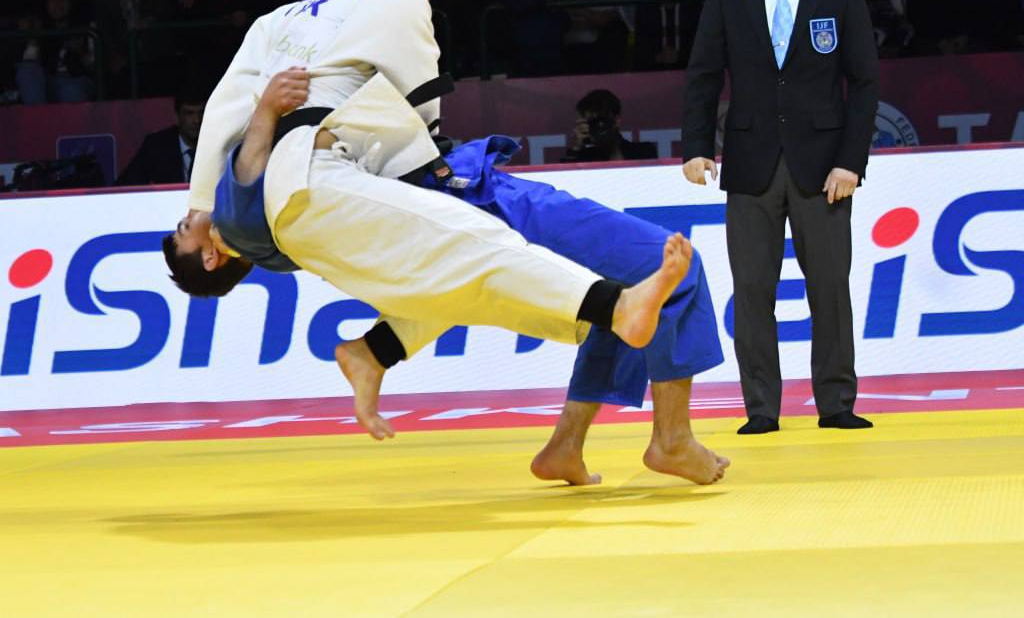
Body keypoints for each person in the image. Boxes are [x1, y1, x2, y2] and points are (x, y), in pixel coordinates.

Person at [168, 0, 692, 431]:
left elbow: (223, 108)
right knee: (472, 237)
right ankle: (614, 309)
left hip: (303, 206)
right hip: (311, 175)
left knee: (442, 279)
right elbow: (419, 93)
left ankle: (374, 351)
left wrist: (202, 203)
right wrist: (428, 162)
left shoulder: (279, 18)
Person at [191, 66, 729, 486]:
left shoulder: (289, 234)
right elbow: (248, 147)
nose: (190, 215)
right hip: (478, 199)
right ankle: (672, 438)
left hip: (445, 212)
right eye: (182, 232)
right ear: (213, 256)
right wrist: (267, 107)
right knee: (667, 272)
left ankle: (565, 445)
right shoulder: (239, 223)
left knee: (609, 298)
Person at [683, 0, 879, 434]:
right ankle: (761, 408)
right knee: (752, 290)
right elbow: (702, 76)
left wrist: (851, 162)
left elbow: (864, 83)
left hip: (825, 166)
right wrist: (697, 146)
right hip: (750, 161)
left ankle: (836, 402)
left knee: (829, 287)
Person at [116, 90, 205, 185]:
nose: (197, 120)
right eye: (189, 113)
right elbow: (124, 184)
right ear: (177, 117)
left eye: (201, 113)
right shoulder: (156, 146)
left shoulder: (215, 146)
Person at [562, 89, 657, 163]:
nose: (598, 126)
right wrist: (575, 148)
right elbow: (565, 178)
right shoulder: (583, 158)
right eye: (591, 122)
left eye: (601, 121)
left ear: (616, 121)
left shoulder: (643, 152)